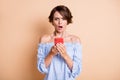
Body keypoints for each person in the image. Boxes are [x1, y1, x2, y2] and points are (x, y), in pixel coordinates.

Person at [37, 5, 82, 80]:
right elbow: (41, 68)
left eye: (63, 19)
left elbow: (76, 70)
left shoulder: (75, 40)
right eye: (56, 19)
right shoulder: (44, 40)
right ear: (52, 21)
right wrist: (51, 54)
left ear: (67, 21)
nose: (60, 22)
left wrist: (65, 55)